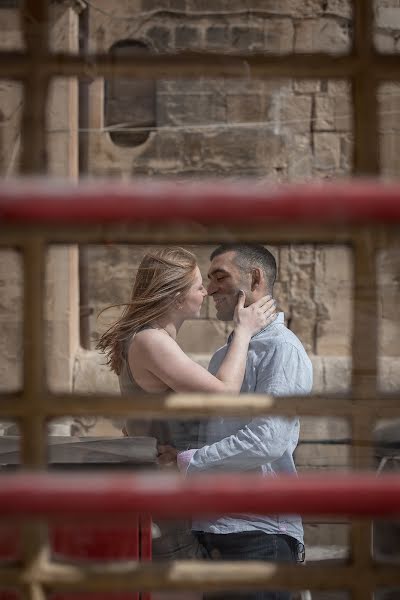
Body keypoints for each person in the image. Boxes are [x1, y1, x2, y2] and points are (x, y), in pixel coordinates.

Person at [96, 246, 276, 563]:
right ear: (176, 296)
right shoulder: (152, 340)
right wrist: (244, 330)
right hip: (164, 499)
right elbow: (224, 395)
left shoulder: (149, 338)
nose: (206, 292)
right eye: (198, 286)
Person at [172, 244, 313, 600]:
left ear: (255, 279)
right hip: (213, 530)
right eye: (208, 279)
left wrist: (191, 462)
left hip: (258, 534)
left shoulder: (282, 348)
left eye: (220, 277)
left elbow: (270, 439)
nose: (211, 289)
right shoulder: (226, 353)